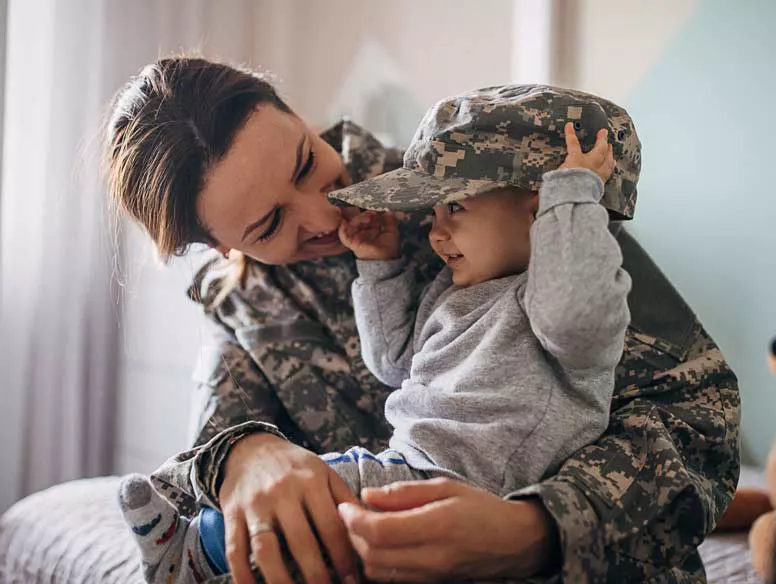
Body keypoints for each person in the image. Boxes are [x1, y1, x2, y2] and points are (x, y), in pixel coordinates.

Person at [106, 56, 740, 584]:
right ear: (224, 246)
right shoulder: (241, 303)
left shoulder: (481, 178)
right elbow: (191, 472)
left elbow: (698, 419)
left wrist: (535, 530)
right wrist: (244, 455)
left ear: (297, 113)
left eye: (306, 162)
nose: (325, 216)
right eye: (270, 223)